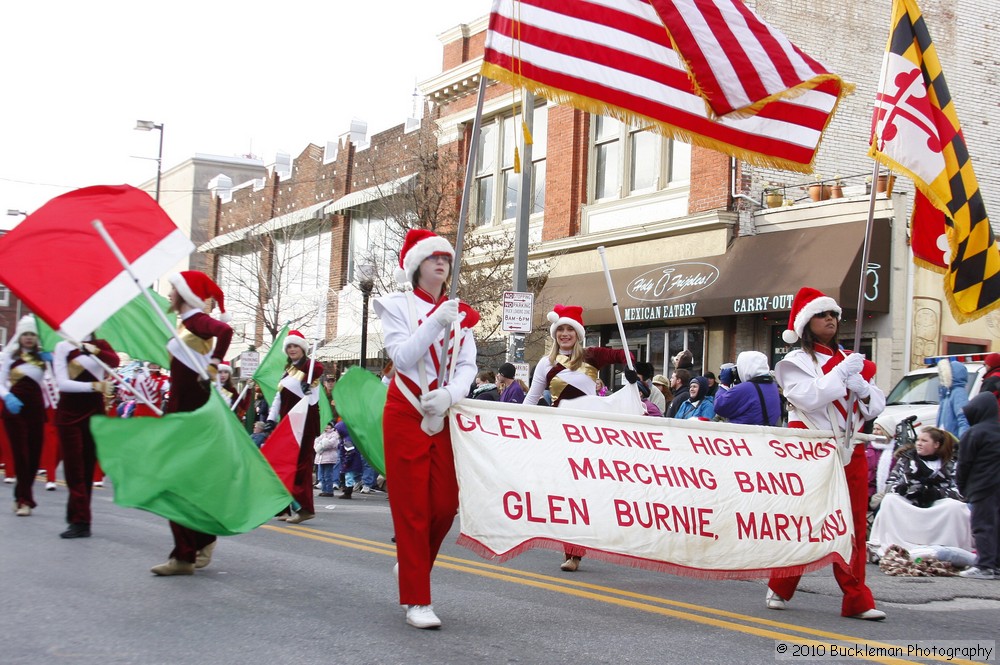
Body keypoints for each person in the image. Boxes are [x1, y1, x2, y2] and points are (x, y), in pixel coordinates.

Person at [373, 228, 480, 629]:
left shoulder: (460, 312)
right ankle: (417, 599)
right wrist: (436, 321)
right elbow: (403, 357)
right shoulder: (397, 305)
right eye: (433, 256)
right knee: (413, 507)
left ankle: (411, 566)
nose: (441, 262)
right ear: (417, 264)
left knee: (444, 504)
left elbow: (468, 365)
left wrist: (451, 394)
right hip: (405, 410)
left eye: (446, 258)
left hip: (442, 413)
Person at [765, 287, 887, 621]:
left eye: (833, 314)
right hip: (812, 450)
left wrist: (861, 386)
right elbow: (809, 398)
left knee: (854, 526)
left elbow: (876, 405)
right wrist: (840, 373)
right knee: (806, 521)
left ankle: (857, 599)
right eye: (822, 315)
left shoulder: (851, 359)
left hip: (851, 448)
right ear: (807, 323)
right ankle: (782, 583)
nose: (830, 319)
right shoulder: (794, 362)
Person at [523, 303, 634, 571]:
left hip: (590, 434)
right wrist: (515, 421)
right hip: (560, 432)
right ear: (554, 333)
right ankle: (571, 553)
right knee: (565, 490)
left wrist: (634, 372)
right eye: (559, 329)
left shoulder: (593, 356)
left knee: (586, 490)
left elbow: (624, 355)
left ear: (578, 333)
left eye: (569, 329)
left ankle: (585, 546)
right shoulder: (545, 363)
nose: (564, 333)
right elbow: (532, 397)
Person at [151, 270, 233, 576]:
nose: (170, 295)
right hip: (181, 411)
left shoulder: (197, 320)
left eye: (173, 290)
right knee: (182, 483)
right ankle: (198, 541)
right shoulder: (186, 324)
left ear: (184, 294)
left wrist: (213, 365)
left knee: (176, 483)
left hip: (191, 414)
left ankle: (185, 554)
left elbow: (225, 331)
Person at [52, 335, 119, 538]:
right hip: (69, 413)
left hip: (94, 412)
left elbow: (114, 361)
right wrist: (94, 386)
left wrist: (95, 350)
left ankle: (80, 520)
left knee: (88, 467)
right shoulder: (63, 346)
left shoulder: (101, 345)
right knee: (74, 467)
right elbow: (62, 383)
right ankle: (80, 519)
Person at [868, 426, 972, 558]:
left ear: (936, 444)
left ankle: (947, 547)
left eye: (924, 440)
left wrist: (936, 493)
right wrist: (905, 490)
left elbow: (960, 491)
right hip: (908, 504)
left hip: (937, 505)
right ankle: (895, 545)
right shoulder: (905, 459)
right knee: (890, 500)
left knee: (956, 507)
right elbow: (890, 484)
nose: (919, 443)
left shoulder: (950, 463)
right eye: (918, 440)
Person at [266, 329, 324, 524]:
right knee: (281, 462)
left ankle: (305, 508)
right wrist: (270, 419)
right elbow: (278, 397)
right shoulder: (288, 371)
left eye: (295, 345)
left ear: (303, 348)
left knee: (300, 466)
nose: (292, 349)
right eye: (289, 346)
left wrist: (308, 385)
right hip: (287, 423)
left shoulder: (309, 367)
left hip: (304, 423)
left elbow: (318, 373)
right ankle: (283, 507)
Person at [0, 316, 52, 517]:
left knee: (33, 454)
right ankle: (25, 500)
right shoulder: (10, 357)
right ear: (20, 336)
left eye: (32, 334)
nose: (29, 338)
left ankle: (18, 494)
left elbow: (56, 380)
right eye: (25, 334)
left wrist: (54, 361)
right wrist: (8, 397)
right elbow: (1, 383)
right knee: (21, 454)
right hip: (15, 410)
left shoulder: (43, 358)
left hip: (36, 409)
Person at [956, 392, 1000, 579]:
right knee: (996, 525)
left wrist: (962, 487)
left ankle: (985, 566)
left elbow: (964, 463)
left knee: (982, 525)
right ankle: (996, 565)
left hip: (982, 485)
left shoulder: (974, 433)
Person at [713, 352, 781, 426]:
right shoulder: (772, 386)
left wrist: (724, 384)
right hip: (767, 433)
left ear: (746, 367)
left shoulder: (746, 388)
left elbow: (720, 407)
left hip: (743, 434)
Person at [936, 360, 970, 438]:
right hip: (946, 440)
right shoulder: (947, 393)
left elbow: (963, 418)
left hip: (953, 441)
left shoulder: (958, 392)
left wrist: (961, 442)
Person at [314, 419, 340, 497]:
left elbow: (332, 443)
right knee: (322, 475)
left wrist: (323, 443)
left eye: (329, 426)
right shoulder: (322, 434)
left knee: (328, 475)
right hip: (320, 458)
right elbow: (316, 442)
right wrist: (321, 444)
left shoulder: (335, 434)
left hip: (329, 458)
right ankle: (324, 490)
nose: (327, 427)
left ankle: (329, 491)